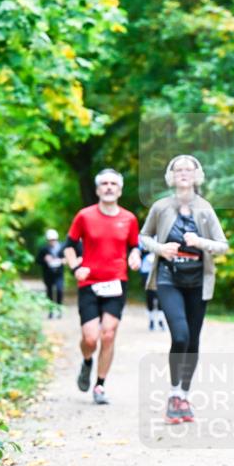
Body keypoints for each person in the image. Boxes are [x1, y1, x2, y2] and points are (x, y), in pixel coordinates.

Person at [140, 155, 229, 424]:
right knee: (180, 336)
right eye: (178, 169)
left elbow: (222, 245)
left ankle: (183, 395)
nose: (183, 173)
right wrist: (160, 248)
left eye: (188, 169)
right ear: (171, 175)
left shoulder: (205, 209)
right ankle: (174, 392)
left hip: (198, 282)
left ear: (196, 175)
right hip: (169, 278)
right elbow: (143, 237)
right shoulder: (161, 207)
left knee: (193, 339)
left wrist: (200, 241)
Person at [62, 169, 141, 405]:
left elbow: (135, 246)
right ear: (97, 190)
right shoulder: (85, 216)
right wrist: (76, 267)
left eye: (113, 183)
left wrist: (135, 256)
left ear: (119, 189)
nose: (108, 187)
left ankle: (100, 385)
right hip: (89, 283)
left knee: (108, 334)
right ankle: (87, 362)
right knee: (90, 338)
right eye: (104, 183)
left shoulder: (129, 219)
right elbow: (68, 246)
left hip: (116, 283)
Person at [36, 228, 65, 319]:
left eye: (54, 240)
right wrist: (45, 260)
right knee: (50, 293)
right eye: (50, 240)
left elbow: (68, 258)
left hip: (59, 273)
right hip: (48, 274)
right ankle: (51, 311)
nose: (52, 241)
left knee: (59, 290)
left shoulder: (62, 247)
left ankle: (59, 309)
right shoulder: (43, 249)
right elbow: (37, 261)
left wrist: (62, 260)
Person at [139, 247, 166, 331]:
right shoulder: (142, 237)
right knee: (150, 296)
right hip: (147, 270)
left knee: (161, 296)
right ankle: (151, 320)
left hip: (159, 269)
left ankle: (161, 321)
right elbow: (139, 251)